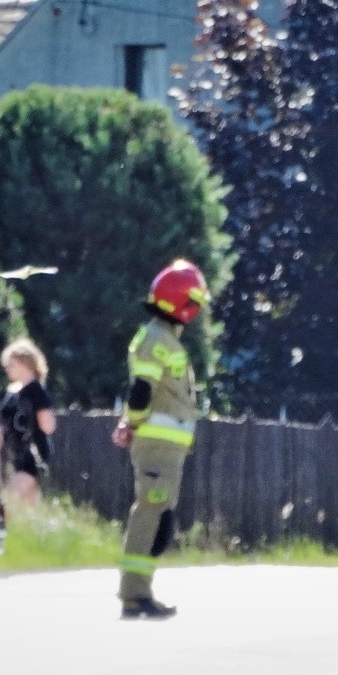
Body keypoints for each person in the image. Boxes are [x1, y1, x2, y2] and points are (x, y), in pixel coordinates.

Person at [110, 259, 211, 620]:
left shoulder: (164, 339)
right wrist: (132, 422)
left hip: (167, 452)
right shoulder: (155, 339)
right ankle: (134, 594)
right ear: (181, 303)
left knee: (160, 519)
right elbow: (141, 391)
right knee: (151, 514)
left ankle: (140, 591)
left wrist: (130, 422)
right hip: (157, 449)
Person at [0, 339, 56, 505]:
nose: (6, 368)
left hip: (32, 456)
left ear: (24, 363)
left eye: (11, 364)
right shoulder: (11, 394)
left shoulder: (36, 391)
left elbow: (49, 426)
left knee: (8, 501)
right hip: (14, 457)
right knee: (26, 509)